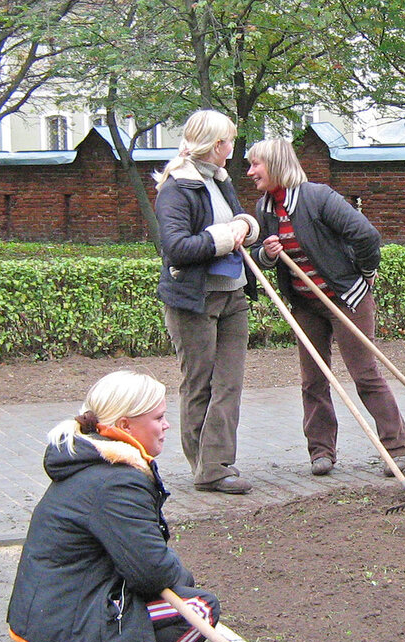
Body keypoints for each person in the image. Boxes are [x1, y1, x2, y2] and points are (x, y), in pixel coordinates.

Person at [6, 370, 219, 642]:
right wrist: (183, 581)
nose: (166, 425)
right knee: (198, 608)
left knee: (177, 588)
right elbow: (150, 569)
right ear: (125, 424)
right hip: (66, 619)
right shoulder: (117, 481)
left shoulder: (91, 461)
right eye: (158, 418)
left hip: (49, 611)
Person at [246, 138, 405, 476]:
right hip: (306, 303)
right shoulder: (265, 208)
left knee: (364, 374)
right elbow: (259, 257)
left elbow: (365, 236)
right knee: (313, 379)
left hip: (346, 298)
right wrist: (268, 253)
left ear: (276, 164)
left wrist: (365, 274)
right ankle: (321, 452)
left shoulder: (317, 197)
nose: (250, 172)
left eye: (256, 165)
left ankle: (397, 448)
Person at [154, 110, 260, 494]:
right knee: (200, 383)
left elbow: (237, 221)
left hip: (233, 293)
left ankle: (218, 463)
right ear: (217, 145)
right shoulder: (176, 188)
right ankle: (206, 467)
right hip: (193, 300)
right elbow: (176, 248)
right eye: (229, 142)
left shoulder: (220, 181)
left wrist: (246, 226)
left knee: (229, 383)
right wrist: (225, 237)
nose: (233, 150)